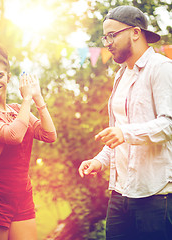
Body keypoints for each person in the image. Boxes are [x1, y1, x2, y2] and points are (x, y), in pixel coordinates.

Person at [78, 5, 172, 240]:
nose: (107, 42)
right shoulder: (120, 75)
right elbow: (118, 134)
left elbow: (169, 124)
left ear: (136, 32)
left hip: (155, 195)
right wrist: (99, 160)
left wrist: (126, 133)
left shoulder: (161, 69)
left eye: (112, 35)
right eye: (105, 37)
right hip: (120, 193)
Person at [0, 44, 57, 240]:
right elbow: (13, 136)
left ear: (8, 78)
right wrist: (27, 99)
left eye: (0, 76)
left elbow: (49, 135)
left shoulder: (18, 110)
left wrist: (38, 98)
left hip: (22, 196)